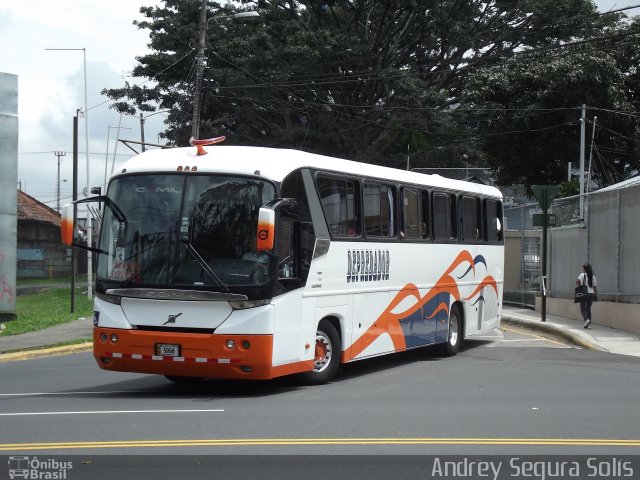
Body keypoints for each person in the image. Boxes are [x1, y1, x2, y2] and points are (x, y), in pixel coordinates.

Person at [576, 263, 598, 329]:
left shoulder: (582, 275)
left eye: (583, 268)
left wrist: (579, 286)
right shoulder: (592, 276)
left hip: (584, 294)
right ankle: (589, 324)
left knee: (582, 309)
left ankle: (586, 320)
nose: (582, 269)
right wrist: (595, 295)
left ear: (585, 269)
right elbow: (595, 287)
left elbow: (577, 282)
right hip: (592, 294)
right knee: (588, 309)